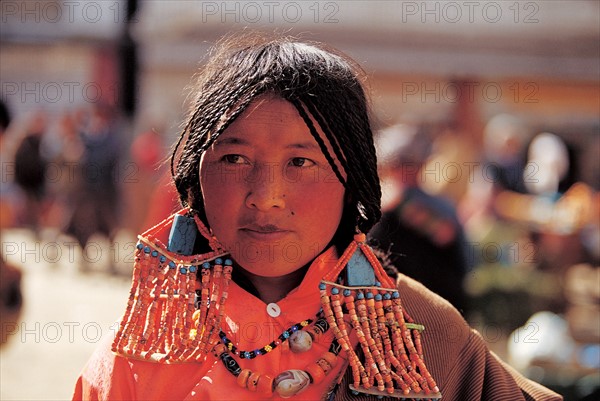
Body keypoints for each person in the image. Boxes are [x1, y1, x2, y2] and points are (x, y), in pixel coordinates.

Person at [72, 33, 562, 401]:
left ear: (353, 181)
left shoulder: (426, 335)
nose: (265, 197)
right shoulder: (140, 358)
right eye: (234, 159)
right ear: (194, 181)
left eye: (301, 162)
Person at [369, 124, 470, 314]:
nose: (408, 170)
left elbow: (446, 237)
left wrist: (402, 205)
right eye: (401, 163)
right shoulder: (371, 204)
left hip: (436, 306)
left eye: (412, 163)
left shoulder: (440, 206)